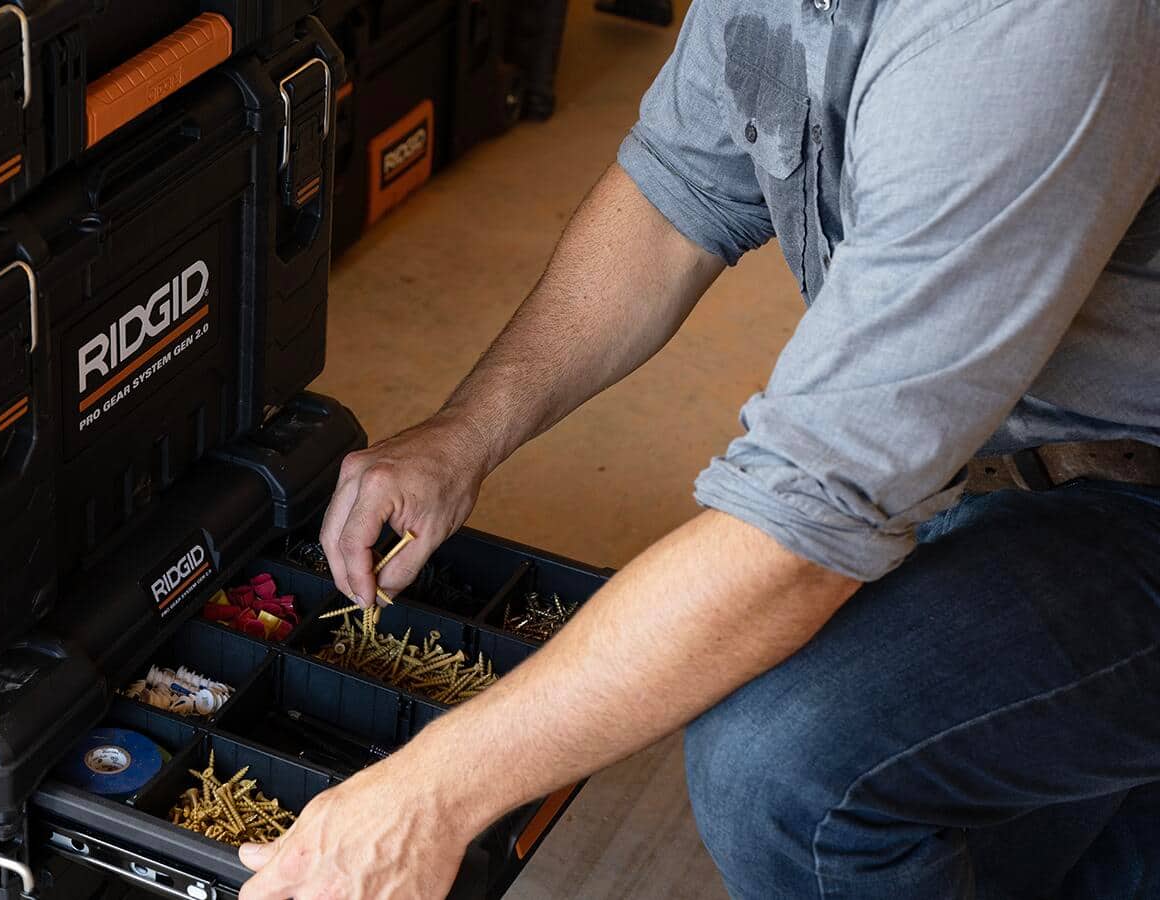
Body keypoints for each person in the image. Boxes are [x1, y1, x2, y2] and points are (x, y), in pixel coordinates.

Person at [238, 1, 1160, 896]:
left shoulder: (1028, 27)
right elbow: (676, 191)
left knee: (787, 762)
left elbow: (805, 532)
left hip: (1129, 495)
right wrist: (464, 431)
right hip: (991, 459)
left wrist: (431, 796)